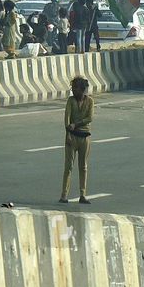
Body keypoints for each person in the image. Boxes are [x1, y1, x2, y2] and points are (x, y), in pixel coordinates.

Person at [61, 76, 94, 204]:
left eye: (77, 89)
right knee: (68, 167)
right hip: (72, 136)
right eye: (73, 88)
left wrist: (76, 124)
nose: (74, 91)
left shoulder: (90, 101)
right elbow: (67, 118)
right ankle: (64, 195)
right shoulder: (70, 101)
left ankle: (82, 194)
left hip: (85, 136)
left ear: (83, 90)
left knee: (83, 167)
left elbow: (90, 118)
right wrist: (68, 132)